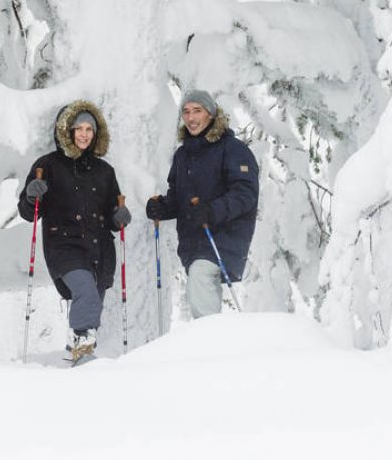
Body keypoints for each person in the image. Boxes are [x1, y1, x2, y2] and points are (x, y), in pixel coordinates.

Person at [18, 100, 130, 359]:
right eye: (78, 128)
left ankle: (78, 353)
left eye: (89, 129)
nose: (83, 134)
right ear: (66, 130)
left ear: (96, 133)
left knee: (92, 303)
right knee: (86, 293)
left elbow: (113, 215)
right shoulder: (47, 166)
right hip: (64, 246)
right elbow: (28, 213)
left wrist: (120, 216)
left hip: (100, 250)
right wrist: (32, 196)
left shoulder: (105, 171)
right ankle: (81, 351)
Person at [145, 90, 259, 319]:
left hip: (225, 234)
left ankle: (209, 344)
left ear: (211, 114)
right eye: (186, 112)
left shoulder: (233, 149)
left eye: (197, 111)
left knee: (200, 275)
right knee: (199, 280)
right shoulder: (182, 155)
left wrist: (212, 210)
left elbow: (245, 193)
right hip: (195, 240)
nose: (191, 118)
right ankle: (210, 342)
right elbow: (178, 198)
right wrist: (162, 207)